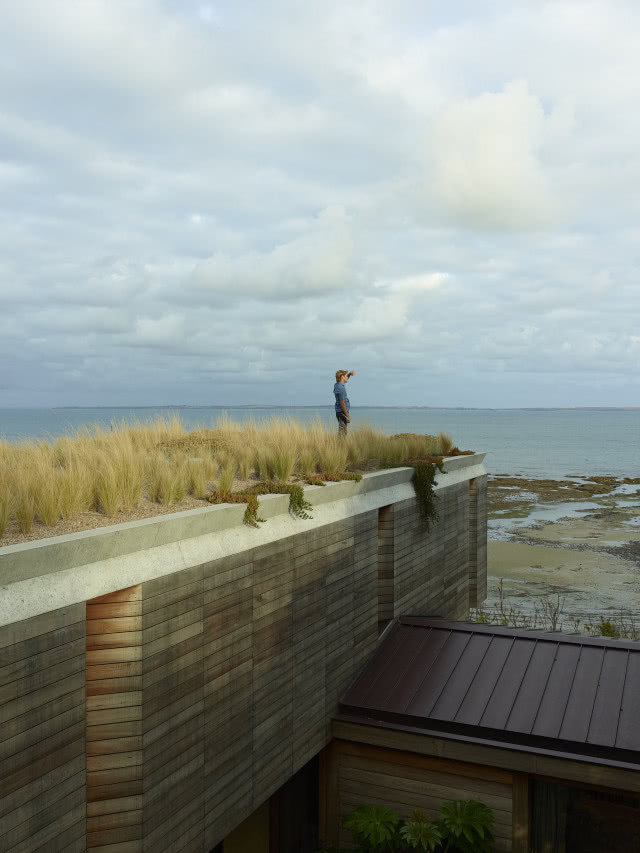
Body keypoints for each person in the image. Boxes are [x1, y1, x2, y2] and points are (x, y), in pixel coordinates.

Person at [334, 369, 355, 435]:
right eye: (345, 376)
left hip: (339, 412)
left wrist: (349, 374)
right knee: (343, 433)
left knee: (342, 431)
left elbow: (345, 379)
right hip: (342, 412)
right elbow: (342, 402)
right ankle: (339, 442)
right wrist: (347, 415)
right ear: (342, 377)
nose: (347, 377)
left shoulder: (337, 385)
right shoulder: (341, 388)